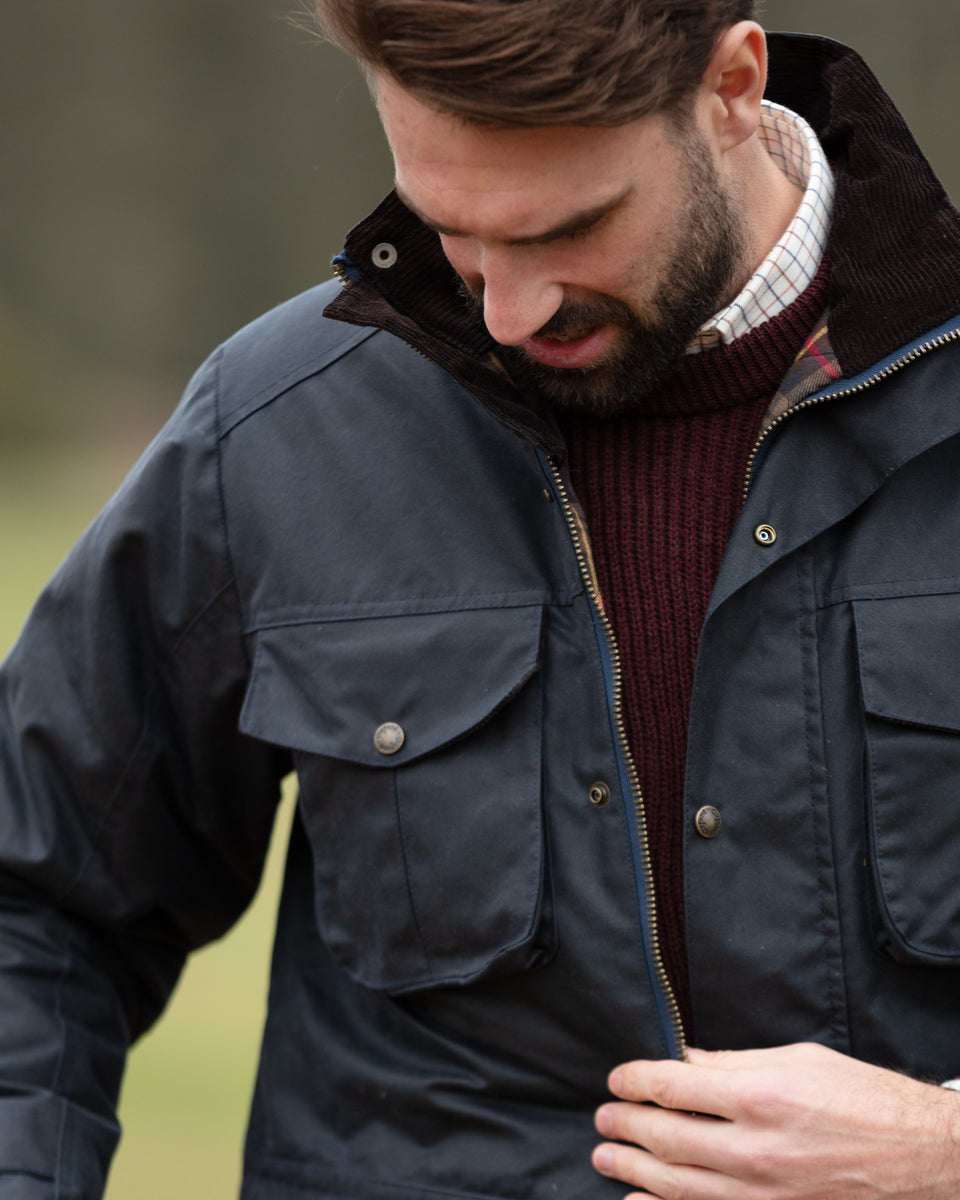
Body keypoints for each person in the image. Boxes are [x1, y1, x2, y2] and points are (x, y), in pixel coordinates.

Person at [3, 0, 960, 1196]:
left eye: (569, 227)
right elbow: (31, 898)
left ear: (729, 88)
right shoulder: (277, 427)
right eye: (451, 230)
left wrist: (945, 1149)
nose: (502, 312)